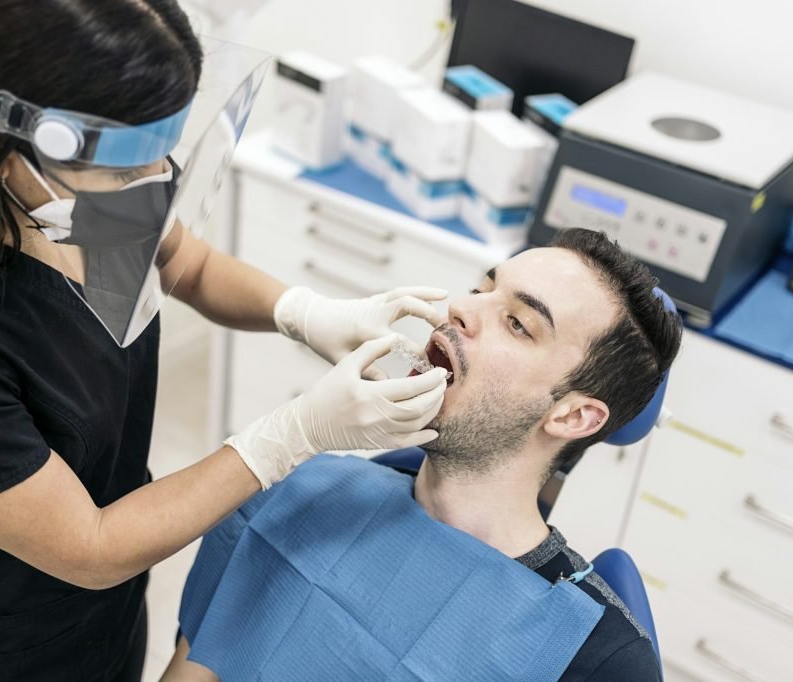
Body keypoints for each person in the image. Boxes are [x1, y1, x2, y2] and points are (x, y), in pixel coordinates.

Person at [0, 2, 450, 680]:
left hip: (104, 615)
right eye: (127, 172)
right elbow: (92, 547)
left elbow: (186, 263)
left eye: (160, 157)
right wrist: (294, 433)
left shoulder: (85, 202)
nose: (151, 191)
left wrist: (304, 311)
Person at [164, 228, 683, 681]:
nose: (461, 308)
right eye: (482, 289)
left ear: (572, 417)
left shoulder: (593, 656)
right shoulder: (300, 492)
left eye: (518, 323)